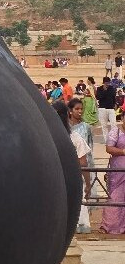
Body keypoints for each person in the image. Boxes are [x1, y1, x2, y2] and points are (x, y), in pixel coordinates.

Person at [53, 100, 91, 234]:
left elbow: (83, 162)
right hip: (62, 178)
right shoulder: (73, 137)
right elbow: (83, 163)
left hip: (64, 177)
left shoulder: (74, 137)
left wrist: (87, 184)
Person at [69, 97, 94, 203]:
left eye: (81, 109)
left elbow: (90, 147)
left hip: (85, 165)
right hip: (71, 166)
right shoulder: (65, 128)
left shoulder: (86, 127)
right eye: (77, 109)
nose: (80, 111)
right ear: (70, 111)